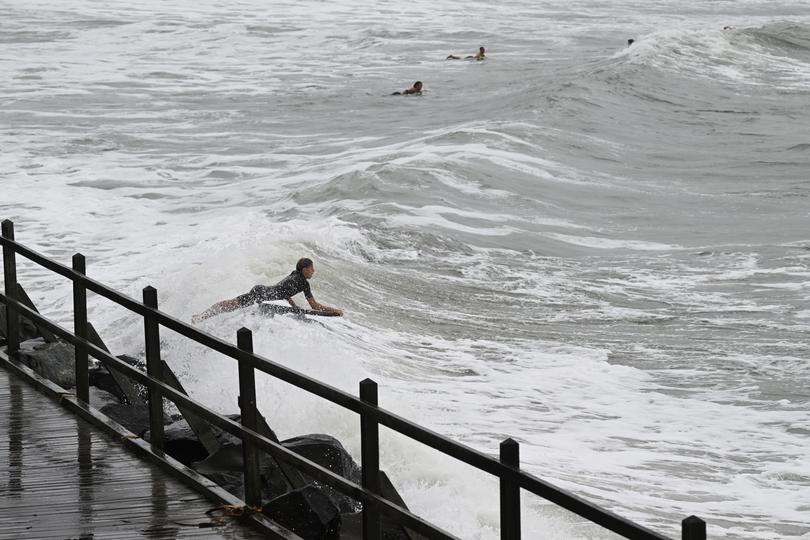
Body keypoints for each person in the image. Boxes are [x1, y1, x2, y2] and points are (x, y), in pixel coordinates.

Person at [192, 258, 343, 322]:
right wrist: (334, 311)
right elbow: (315, 306)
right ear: (304, 269)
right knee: (231, 305)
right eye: (311, 269)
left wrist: (293, 306)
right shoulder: (303, 283)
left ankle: (201, 316)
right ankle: (201, 317)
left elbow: (284, 292)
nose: (313, 271)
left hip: (263, 291)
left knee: (232, 304)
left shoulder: (294, 275)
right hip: (263, 294)